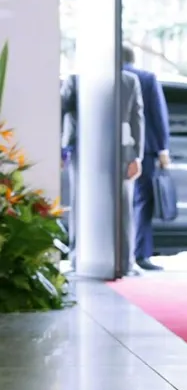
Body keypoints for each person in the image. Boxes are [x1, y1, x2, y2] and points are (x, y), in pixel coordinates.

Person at [61, 68, 146, 276]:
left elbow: (136, 119)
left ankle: (122, 261)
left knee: (116, 207)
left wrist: (136, 157)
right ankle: (81, 258)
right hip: (87, 152)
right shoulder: (77, 81)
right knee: (87, 204)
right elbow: (61, 110)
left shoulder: (127, 80)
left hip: (114, 154)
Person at [122, 45, 171, 272]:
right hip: (144, 151)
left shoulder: (103, 78)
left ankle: (114, 253)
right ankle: (139, 254)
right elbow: (157, 115)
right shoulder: (146, 78)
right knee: (142, 202)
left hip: (108, 150)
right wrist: (162, 148)